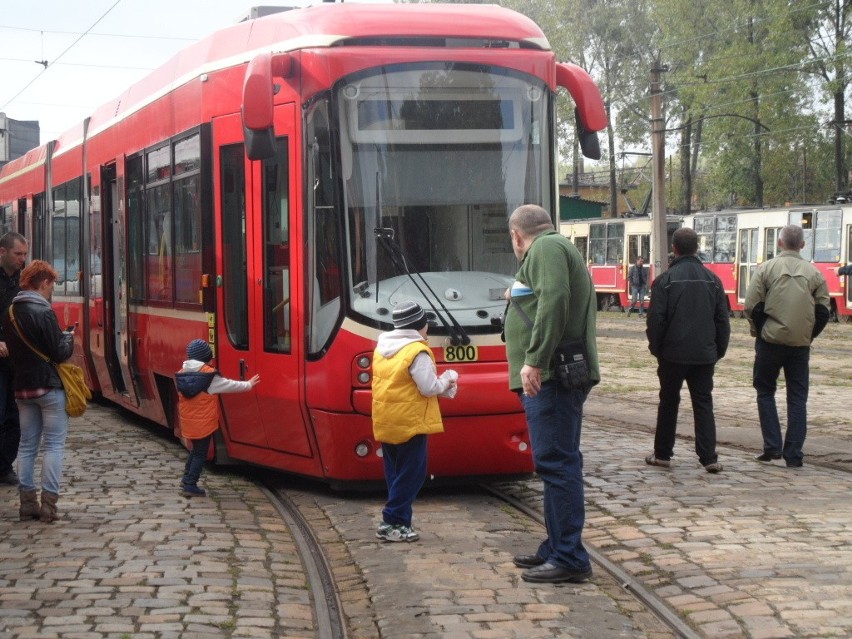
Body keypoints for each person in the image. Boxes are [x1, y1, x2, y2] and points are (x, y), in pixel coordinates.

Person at [504, 204, 599, 584]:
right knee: (555, 463)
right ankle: (556, 545)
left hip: (552, 377)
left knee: (557, 464)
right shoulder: (556, 248)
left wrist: (535, 360)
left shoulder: (543, 249)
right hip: (555, 377)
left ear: (516, 236)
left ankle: (570, 557)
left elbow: (555, 298)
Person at [645, 227, 730, 474]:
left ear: (675, 249)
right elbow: (722, 321)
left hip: (672, 354)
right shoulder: (713, 280)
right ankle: (709, 457)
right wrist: (718, 351)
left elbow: (655, 321)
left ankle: (662, 454)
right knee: (703, 403)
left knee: (668, 402)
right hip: (704, 354)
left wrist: (657, 349)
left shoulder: (664, 281)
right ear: (696, 249)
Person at [371, 300, 458, 543]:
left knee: (396, 473)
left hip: (387, 418)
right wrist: (449, 379)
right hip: (411, 422)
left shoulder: (382, 348)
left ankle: (402, 524)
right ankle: (391, 520)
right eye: (426, 324)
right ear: (420, 326)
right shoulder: (417, 351)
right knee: (414, 473)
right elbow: (429, 387)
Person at [744, 225, 830, 468]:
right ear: (802, 245)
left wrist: (760, 331)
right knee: (798, 398)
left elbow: (752, 305)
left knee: (764, 391)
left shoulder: (766, 269)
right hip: (799, 346)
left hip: (769, 342)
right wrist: (808, 335)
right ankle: (794, 454)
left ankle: (772, 446)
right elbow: (823, 310)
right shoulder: (815, 274)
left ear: (779, 244)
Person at [1, 260, 73, 523]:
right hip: (49, 387)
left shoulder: (10, 312)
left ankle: (27, 502)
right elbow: (58, 352)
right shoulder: (43, 312)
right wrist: (69, 338)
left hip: (22, 388)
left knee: (27, 445)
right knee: (53, 445)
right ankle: (49, 505)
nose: (51, 291)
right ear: (43, 283)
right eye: (51, 286)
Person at [175, 339, 260, 497]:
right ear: (205, 357)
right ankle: (190, 484)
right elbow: (230, 385)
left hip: (189, 422)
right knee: (200, 453)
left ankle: (186, 478)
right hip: (204, 423)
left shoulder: (182, 374)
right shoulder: (209, 378)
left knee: (195, 451)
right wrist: (248, 384)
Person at [0, 232, 28, 486]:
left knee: (14, 416)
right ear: (2, 252)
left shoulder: (24, 280)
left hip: (16, 361)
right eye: (18, 254)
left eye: (24, 254)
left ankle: (5, 465)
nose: (22, 259)